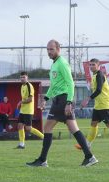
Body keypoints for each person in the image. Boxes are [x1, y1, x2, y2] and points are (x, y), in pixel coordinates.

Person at [26, 39, 98, 167]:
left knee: (47, 128)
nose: (49, 52)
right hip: (59, 100)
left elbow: (70, 83)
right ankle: (89, 156)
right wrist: (46, 98)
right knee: (73, 128)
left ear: (58, 49)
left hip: (63, 100)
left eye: (52, 49)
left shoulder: (62, 63)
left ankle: (42, 160)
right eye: (47, 49)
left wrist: (69, 102)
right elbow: (54, 86)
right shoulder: (54, 64)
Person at [75, 58, 109, 150]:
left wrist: (88, 99)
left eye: (93, 65)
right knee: (93, 124)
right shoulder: (94, 76)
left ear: (98, 66)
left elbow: (99, 90)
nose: (91, 66)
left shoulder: (99, 75)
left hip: (105, 105)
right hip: (98, 106)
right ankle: (87, 144)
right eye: (90, 65)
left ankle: (87, 144)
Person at [15, 71, 44, 149]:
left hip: (28, 111)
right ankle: (22, 144)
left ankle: (44, 137)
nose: (22, 79)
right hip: (23, 110)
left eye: (24, 77)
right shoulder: (22, 86)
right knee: (20, 126)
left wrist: (21, 102)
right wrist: (21, 104)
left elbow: (30, 99)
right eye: (21, 77)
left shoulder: (29, 86)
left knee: (28, 128)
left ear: (27, 78)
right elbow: (24, 98)